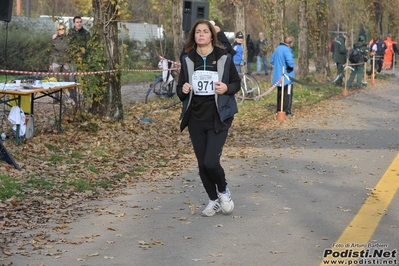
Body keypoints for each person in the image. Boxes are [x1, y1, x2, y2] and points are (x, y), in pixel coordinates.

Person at [176, 19, 241, 217]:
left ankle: (223, 191)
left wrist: (226, 88)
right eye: (198, 32)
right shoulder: (187, 59)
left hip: (218, 116)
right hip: (195, 118)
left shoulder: (224, 58)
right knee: (202, 163)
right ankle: (213, 200)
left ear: (212, 35)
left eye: (205, 31)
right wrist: (184, 89)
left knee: (211, 161)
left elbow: (236, 83)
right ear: (193, 36)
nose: (201, 35)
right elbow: (179, 90)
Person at [270, 36, 295, 117]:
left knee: (280, 93)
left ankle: (279, 109)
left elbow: (272, 60)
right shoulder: (287, 50)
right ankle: (287, 111)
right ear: (290, 43)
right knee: (288, 94)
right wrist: (290, 67)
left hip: (278, 76)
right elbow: (290, 62)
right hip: (287, 77)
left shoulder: (277, 49)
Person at [68, 16, 90, 102]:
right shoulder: (70, 33)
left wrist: (83, 55)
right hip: (73, 60)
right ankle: (73, 97)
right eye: (77, 22)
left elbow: (89, 47)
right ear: (74, 23)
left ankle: (85, 97)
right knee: (72, 78)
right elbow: (68, 46)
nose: (79, 23)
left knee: (85, 78)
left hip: (84, 59)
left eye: (80, 22)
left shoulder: (86, 33)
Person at [50, 23, 71, 103]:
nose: (62, 30)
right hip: (56, 62)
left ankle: (67, 97)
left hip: (66, 62)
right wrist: (50, 64)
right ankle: (56, 98)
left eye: (63, 29)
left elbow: (71, 50)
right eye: (60, 29)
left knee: (67, 80)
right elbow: (51, 51)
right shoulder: (55, 39)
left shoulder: (68, 38)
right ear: (57, 30)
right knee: (56, 80)